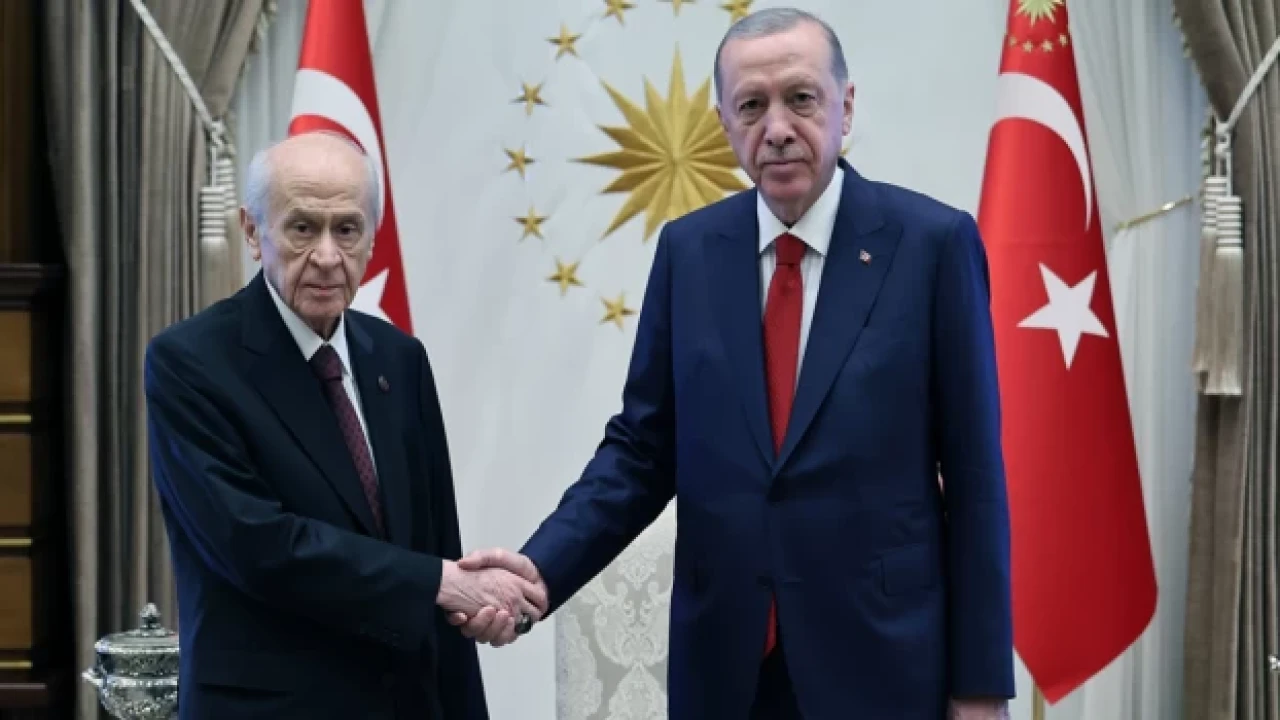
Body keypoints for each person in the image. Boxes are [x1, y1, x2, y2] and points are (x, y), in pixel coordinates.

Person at [449, 7, 1014, 719]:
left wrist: (980, 686)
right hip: (726, 670)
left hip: (883, 667)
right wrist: (540, 569)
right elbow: (642, 451)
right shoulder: (688, 252)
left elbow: (975, 477)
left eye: (800, 98)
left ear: (845, 106)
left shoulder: (932, 245)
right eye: (751, 106)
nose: (776, 128)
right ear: (723, 123)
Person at [143, 130, 545, 720]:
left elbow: (436, 544)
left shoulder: (399, 359)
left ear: (373, 238)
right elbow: (258, 546)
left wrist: (460, 611)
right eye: (303, 228)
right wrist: (440, 583)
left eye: (347, 230)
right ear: (253, 232)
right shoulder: (191, 362)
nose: (328, 256)